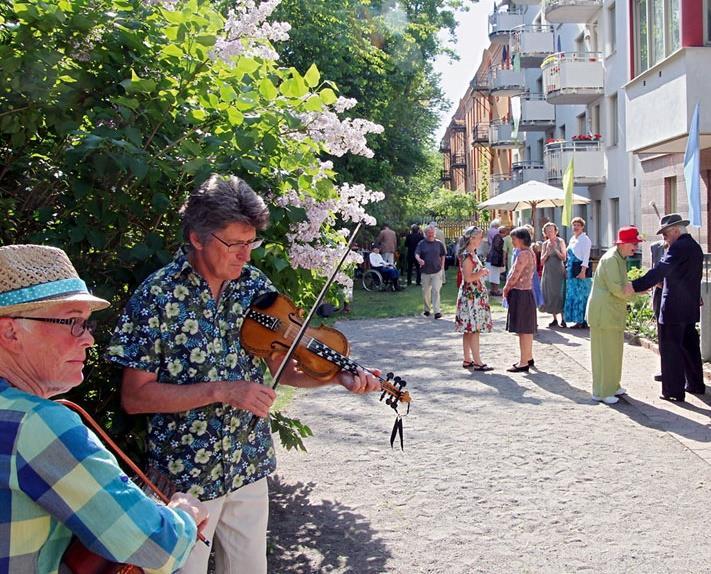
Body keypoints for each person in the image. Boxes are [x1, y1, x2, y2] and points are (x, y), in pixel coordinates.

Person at [106, 174, 380, 574]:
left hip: (247, 463)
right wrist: (222, 390)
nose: (245, 256)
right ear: (197, 238)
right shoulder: (156, 297)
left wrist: (333, 377)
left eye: (251, 243)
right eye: (235, 244)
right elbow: (135, 396)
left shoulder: (254, 286)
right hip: (185, 479)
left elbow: (279, 368)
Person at [0, 244, 208, 573]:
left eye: (86, 324)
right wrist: (184, 513)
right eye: (72, 322)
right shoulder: (36, 425)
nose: (88, 339)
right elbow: (155, 547)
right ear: (10, 331)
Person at [626, 213, 705, 402]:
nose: (664, 238)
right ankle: (695, 384)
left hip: (673, 308)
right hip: (689, 306)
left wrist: (634, 286)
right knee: (690, 347)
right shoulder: (694, 247)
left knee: (670, 349)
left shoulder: (677, 248)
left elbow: (660, 270)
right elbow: (683, 276)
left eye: (666, 234)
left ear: (676, 231)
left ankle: (673, 391)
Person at [586, 227, 643, 404]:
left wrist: (633, 289)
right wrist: (638, 292)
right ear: (624, 244)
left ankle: (612, 385)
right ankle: (601, 391)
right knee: (605, 353)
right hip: (604, 314)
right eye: (634, 244)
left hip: (611, 313)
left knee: (614, 352)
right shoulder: (612, 259)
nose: (635, 247)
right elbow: (617, 288)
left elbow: (622, 286)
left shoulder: (619, 257)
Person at [454, 226, 493, 371]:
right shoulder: (467, 256)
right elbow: (468, 277)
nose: (481, 240)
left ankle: (467, 359)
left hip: (472, 295)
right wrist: (482, 272)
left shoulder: (470, 254)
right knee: (474, 329)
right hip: (472, 296)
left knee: (469, 329)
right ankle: (477, 362)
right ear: (472, 238)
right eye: (479, 237)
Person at [502, 227, 537, 372]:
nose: (513, 241)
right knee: (527, 329)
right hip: (526, 292)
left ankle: (523, 361)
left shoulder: (523, 254)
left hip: (520, 293)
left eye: (514, 238)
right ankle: (528, 357)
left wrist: (506, 288)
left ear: (521, 239)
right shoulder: (530, 252)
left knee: (523, 329)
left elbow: (515, 274)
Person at [564, 216, 593, 329]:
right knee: (573, 294)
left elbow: (586, 256)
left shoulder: (585, 240)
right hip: (571, 269)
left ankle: (582, 320)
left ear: (582, 227)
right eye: (574, 225)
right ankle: (575, 319)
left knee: (581, 295)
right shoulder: (572, 239)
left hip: (579, 269)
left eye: (578, 225)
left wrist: (583, 271)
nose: (576, 227)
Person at [415, 225, 446, 319]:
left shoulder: (439, 243)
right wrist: (419, 259)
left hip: (437, 270)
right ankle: (427, 310)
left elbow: (443, 255)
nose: (431, 234)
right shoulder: (421, 243)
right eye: (429, 232)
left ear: (434, 233)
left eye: (432, 232)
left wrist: (442, 266)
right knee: (426, 292)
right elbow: (416, 253)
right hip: (425, 271)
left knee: (436, 290)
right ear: (425, 233)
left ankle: (437, 311)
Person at [540, 222, 567, 327]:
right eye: (547, 231)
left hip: (558, 271)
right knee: (550, 294)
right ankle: (554, 318)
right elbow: (541, 261)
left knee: (559, 293)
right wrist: (547, 252)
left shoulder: (560, 241)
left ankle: (563, 318)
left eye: (551, 230)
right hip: (548, 271)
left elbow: (564, 257)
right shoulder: (544, 244)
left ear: (556, 231)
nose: (550, 232)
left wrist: (555, 249)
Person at [485, 226, 505, 296]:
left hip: (493, 259)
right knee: (495, 275)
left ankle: (493, 290)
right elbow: (497, 247)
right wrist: (502, 250)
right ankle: (495, 290)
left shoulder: (497, 237)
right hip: (495, 259)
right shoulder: (498, 237)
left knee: (493, 275)